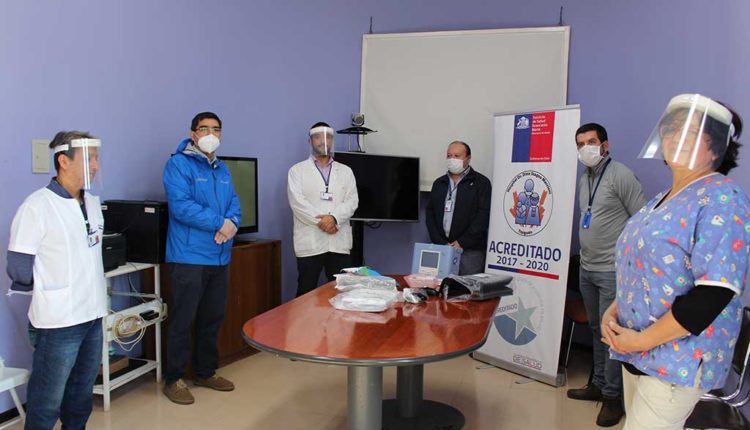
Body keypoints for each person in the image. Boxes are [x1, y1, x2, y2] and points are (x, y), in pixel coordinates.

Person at [602, 94, 750, 430]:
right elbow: (644, 271)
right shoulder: (660, 201)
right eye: (670, 130)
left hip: (676, 360)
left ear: (716, 147)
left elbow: (713, 293)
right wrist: (614, 310)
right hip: (636, 351)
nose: (676, 138)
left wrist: (640, 340)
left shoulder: (723, 198)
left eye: (691, 132)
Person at [7, 131, 106, 429]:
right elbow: (19, 267)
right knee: (47, 401)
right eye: (89, 159)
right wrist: (53, 289)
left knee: (80, 396)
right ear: (64, 161)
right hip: (58, 321)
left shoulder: (91, 203)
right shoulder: (37, 206)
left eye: (97, 158)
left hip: (92, 315)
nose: (96, 166)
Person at [566, 123, 646, 427]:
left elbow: (641, 221)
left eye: (591, 142)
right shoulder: (585, 178)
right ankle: (598, 384)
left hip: (612, 271)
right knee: (596, 330)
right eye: (580, 144)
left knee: (611, 334)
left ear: (605, 145)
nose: (585, 148)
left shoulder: (620, 175)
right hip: (587, 268)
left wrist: (628, 264)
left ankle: (613, 398)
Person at [162, 112, 241, 404]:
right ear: (193, 134)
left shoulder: (222, 168)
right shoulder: (178, 164)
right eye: (204, 128)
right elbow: (182, 207)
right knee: (183, 320)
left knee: (212, 318)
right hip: (189, 256)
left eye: (216, 129)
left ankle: (206, 372)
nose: (210, 134)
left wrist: (232, 223)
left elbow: (234, 202)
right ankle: (173, 379)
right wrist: (221, 224)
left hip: (219, 256)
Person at [287, 122, 359, 297]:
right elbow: (298, 203)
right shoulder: (297, 171)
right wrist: (325, 222)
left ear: (332, 140)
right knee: (305, 293)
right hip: (310, 242)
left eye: (327, 137)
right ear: (310, 141)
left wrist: (334, 219)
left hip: (338, 242)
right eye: (318, 137)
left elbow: (352, 201)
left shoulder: (346, 171)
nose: (323, 141)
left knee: (342, 293)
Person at [425, 141, 492, 275]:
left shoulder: (481, 183)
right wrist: (440, 242)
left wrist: (462, 242)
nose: (452, 159)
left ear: (468, 158)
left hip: (470, 251)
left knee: (467, 286)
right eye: (449, 156)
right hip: (442, 248)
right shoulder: (439, 183)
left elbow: (483, 215)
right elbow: (430, 213)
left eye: (457, 156)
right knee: (439, 285)